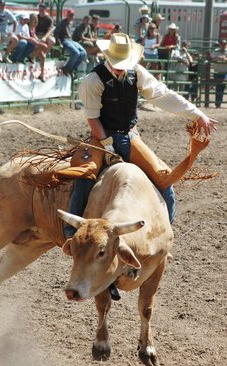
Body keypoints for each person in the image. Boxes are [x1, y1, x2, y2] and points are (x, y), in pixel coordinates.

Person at [64, 33, 217, 239]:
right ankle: (71, 231)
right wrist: (107, 146)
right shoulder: (93, 80)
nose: (120, 66)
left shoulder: (136, 72)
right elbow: (93, 119)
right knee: (85, 175)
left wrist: (196, 113)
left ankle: (165, 233)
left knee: (165, 181)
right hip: (101, 137)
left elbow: (161, 94)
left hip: (129, 136)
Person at [54, 9, 87, 76]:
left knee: (83, 53)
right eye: (70, 15)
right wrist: (59, 42)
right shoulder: (62, 23)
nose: (71, 17)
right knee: (76, 53)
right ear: (67, 15)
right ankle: (66, 69)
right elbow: (56, 32)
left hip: (70, 40)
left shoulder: (70, 23)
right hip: (64, 40)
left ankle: (72, 69)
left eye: (72, 15)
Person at [210, 39, 227, 108]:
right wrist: (218, 57)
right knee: (218, 87)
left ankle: (218, 102)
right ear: (220, 44)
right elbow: (211, 58)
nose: (224, 45)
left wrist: (225, 59)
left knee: (222, 87)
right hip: (217, 71)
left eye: (225, 44)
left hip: (225, 72)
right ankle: (218, 103)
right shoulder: (216, 51)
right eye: (222, 44)